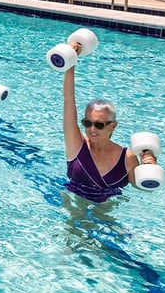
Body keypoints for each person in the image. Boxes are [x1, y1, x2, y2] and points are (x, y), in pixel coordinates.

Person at [62, 63, 157, 203]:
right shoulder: (76, 146)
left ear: (113, 126)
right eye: (87, 123)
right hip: (73, 203)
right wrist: (70, 63)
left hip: (106, 211)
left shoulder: (126, 158)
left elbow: (143, 185)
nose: (92, 129)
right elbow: (68, 101)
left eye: (99, 125)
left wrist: (149, 163)